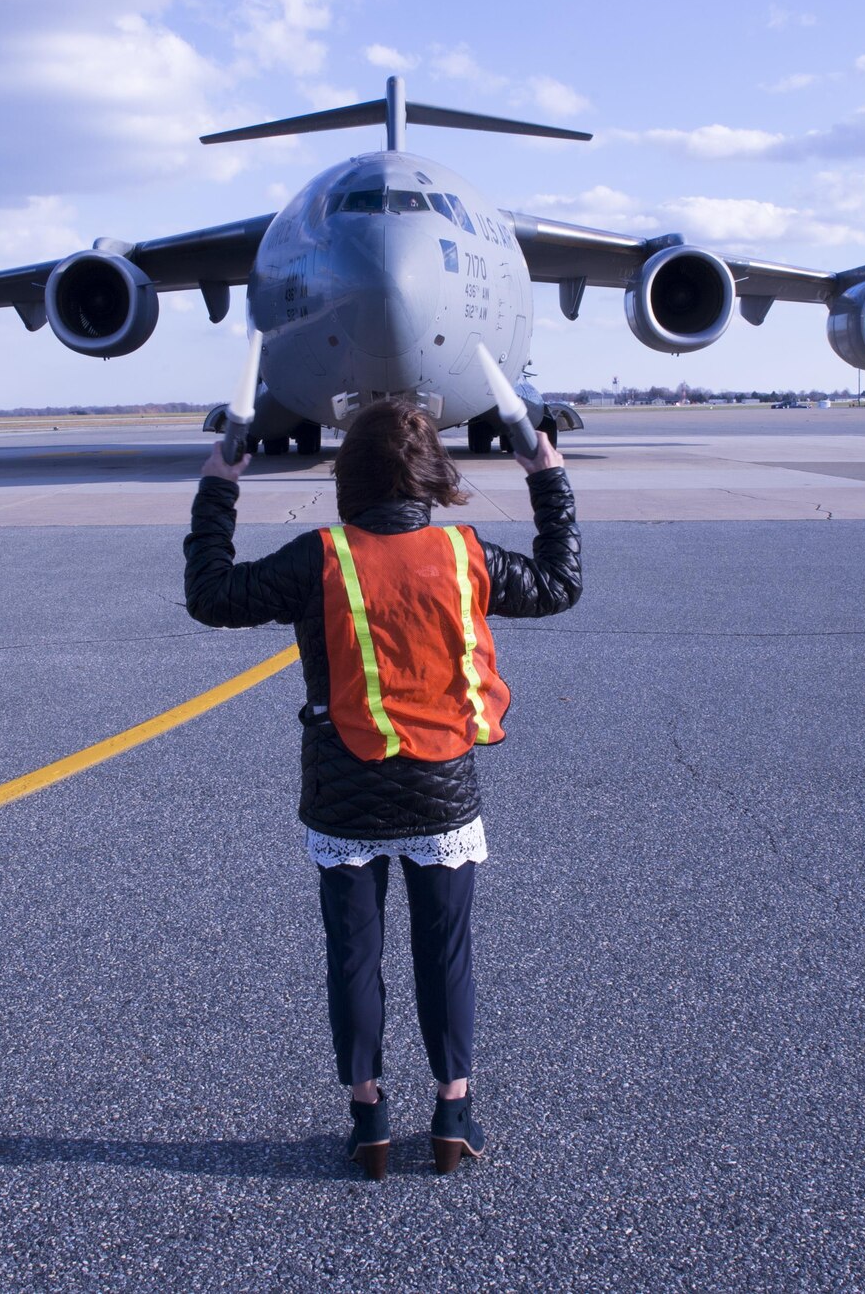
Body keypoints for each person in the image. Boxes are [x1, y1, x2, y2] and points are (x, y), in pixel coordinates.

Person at [184, 399, 581, 1179]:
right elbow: (560, 582)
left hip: (344, 794)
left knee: (354, 960)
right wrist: (549, 478)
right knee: (446, 957)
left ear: (348, 473)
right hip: (441, 792)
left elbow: (213, 595)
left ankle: (367, 1118)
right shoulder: (466, 554)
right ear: (430, 472)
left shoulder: (319, 556)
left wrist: (217, 487)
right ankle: (453, 1113)